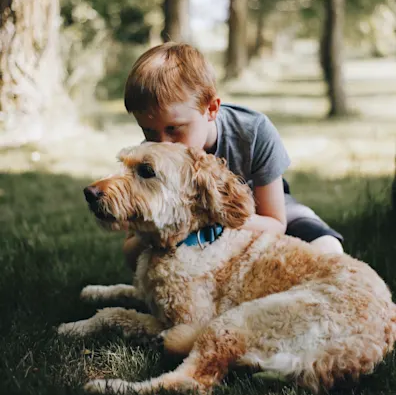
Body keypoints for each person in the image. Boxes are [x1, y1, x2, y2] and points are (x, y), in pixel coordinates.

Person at [122, 42, 343, 267]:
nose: (162, 144)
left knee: (328, 248)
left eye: (173, 129)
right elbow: (131, 253)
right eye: (148, 131)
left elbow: (276, 223)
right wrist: (150, 230)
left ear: (211, 109)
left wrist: (208, 218)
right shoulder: (150, 161)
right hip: (190, 229)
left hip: (260, 212)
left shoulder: (253, 131)